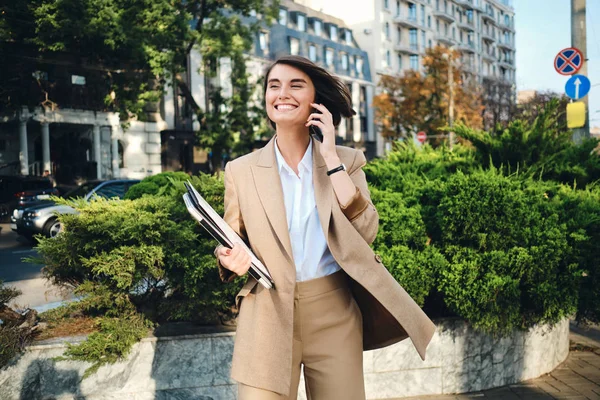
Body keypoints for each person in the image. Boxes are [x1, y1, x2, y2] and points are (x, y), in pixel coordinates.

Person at [215, 55, 436, 400]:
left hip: (333, 311)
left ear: (316, 101)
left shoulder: (346, 160)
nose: (282, 93)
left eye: (295, 85)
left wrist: (331, 158)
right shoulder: (240, 171)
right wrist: (228, 257)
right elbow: (231, 237)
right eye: (274, 86)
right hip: (266, 313)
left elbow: (366, 231)